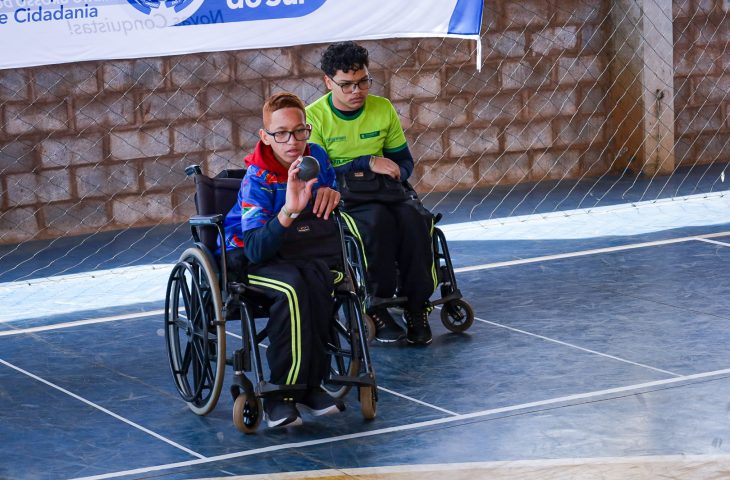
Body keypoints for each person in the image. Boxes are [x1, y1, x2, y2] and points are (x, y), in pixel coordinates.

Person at [222, 92, 344, 428]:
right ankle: (281, 392)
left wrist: (332, 193)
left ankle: (310, 385)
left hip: (298, 250)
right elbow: (256, 249)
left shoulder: (315, 158)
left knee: (319, 280)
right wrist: (289, 210)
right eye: (281, 134)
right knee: (291, 289)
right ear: (265, 136)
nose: (292, 141)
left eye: (299, 131)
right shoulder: (256, 181)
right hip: (248, 257)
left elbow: (329, 194)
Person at [306, 41, 436, 346]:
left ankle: (417, 307)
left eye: (363, 81)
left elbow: (404, 161)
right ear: (328, 82)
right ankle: (376, 304)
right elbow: (321, 174)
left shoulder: (382, 108)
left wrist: (396, 172)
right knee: (377, 223)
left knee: (416, 221)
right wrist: (366, 162)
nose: (357, 91)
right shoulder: (314, 117)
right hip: (345, 196)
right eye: (347, 84)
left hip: (388, 191)